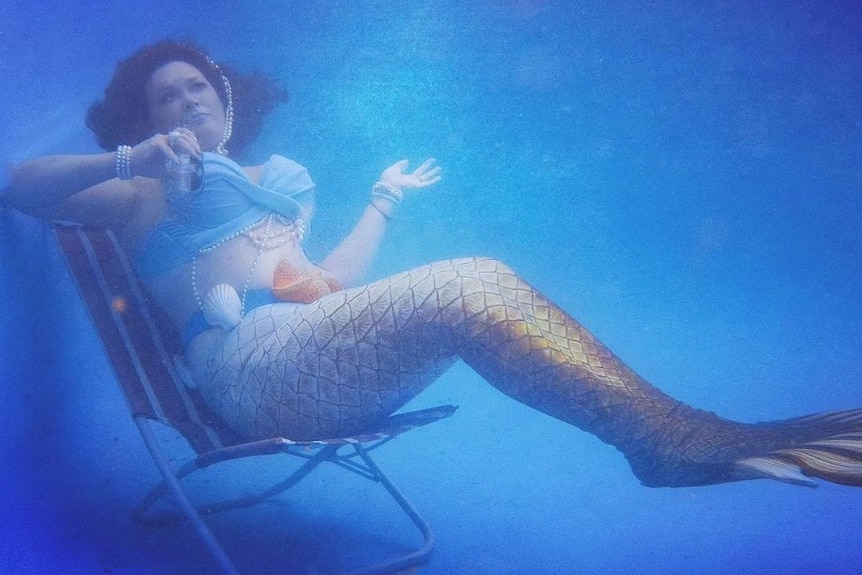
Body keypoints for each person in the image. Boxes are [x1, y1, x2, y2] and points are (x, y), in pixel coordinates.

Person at [5, 40, 862, 489]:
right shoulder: (141, 192)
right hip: (243, 372)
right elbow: (17, 183)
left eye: (199, 87)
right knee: (475, 279)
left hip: (310, 347)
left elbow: (320, 288)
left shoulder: (280, 185)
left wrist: (379, 201)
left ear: (227, 99)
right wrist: (131, 161)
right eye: (168, 96)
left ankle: (675, 435)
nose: (189, 101)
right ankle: (673, 438)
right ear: (141, 116)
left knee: (473, 290)